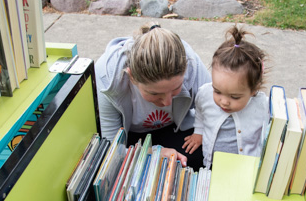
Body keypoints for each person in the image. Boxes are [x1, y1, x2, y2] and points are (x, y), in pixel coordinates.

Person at [95, 22, 211, 169]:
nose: (168, 102)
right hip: (131, 136)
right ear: (131, 76)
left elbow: (213, 111)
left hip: (175, 128)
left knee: (202, 158)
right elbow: (111, 149)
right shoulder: (108, 76)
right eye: (155, 93)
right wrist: (152, 153)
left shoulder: (193, 65)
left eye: (175, 89)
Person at [182, 25, 269, 168]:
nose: (223, 102)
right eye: (217, 91)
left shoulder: (262, 105)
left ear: (254, 90)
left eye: (234, 97)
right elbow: (200, 111)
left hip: (245, 166)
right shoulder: (205, 94)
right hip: (212, 162)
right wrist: (199, 132)